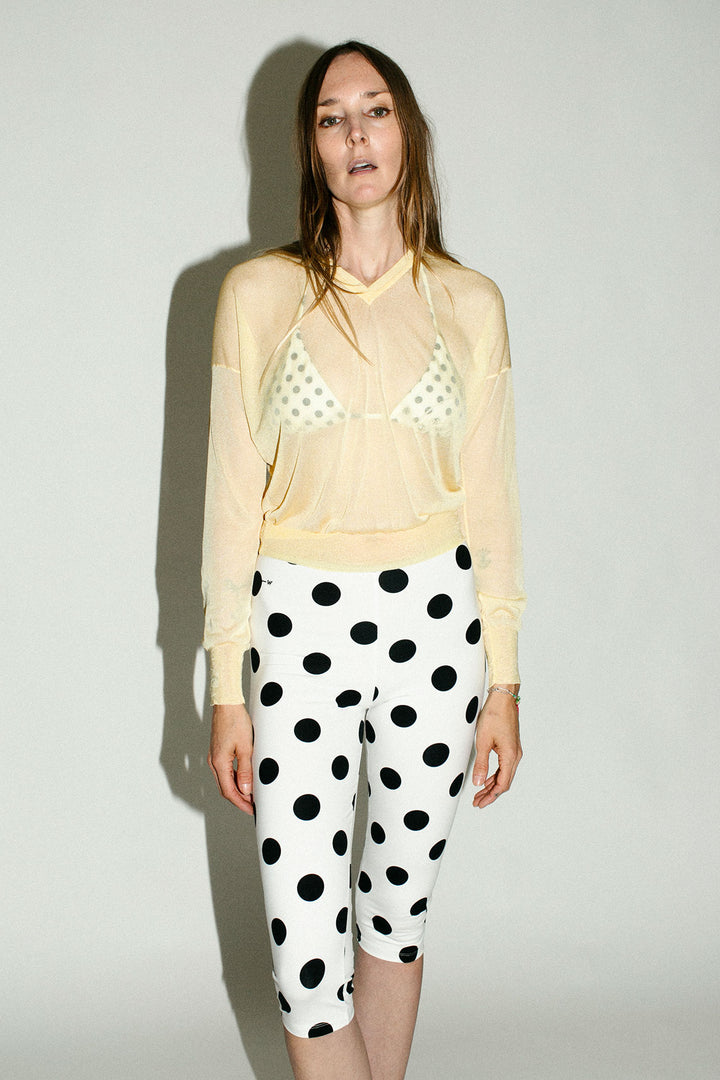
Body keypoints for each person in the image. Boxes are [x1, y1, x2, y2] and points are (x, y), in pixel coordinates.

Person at [203, 40, 526, 1080]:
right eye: (332, 117)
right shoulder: (261, 295)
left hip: (438, 628)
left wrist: (505, 682)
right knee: (308, 962)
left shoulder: (470, 304)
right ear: (311, 148)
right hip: (297, 626)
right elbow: (228, 504)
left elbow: (493, 503)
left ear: (408, 131)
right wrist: (226, 687)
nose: (356, 134)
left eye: (376, 110)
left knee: (395, 913)